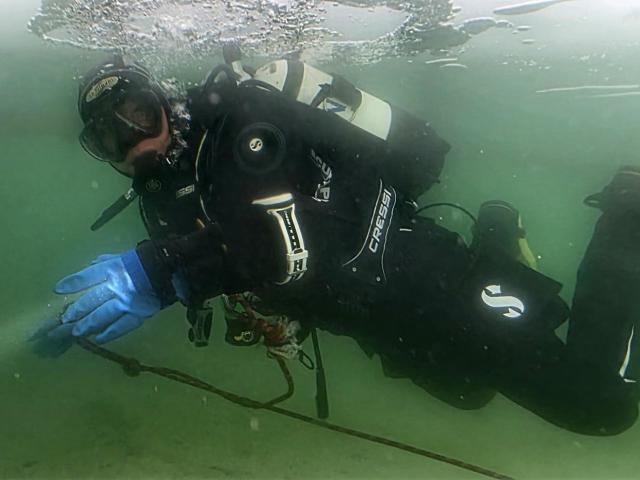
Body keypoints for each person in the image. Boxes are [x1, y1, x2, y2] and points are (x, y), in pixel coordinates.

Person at [34, 55, 640, 436]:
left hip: (432, 280)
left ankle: (626, 211)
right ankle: (499, 226)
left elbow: (293, 245)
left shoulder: (245, 132)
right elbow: (245, 274)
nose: (134, 141)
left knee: (599, 406)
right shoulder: (165, 200)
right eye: (109, 137)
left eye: (139, 115)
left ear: (164, 102)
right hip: (378, 323)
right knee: (469, 392)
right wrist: (76, 317)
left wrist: (165, 270)